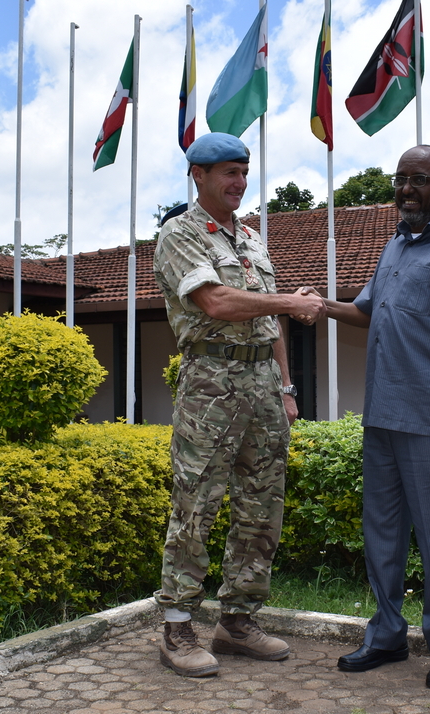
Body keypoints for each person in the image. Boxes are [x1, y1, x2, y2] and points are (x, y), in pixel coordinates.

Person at [305, 144, 430, 689]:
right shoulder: (394, 246)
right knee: (382, 534)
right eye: (400, 179)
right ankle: (387, 634)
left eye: (419, 179)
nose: (406, 189)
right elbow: (366, 312)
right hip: (382, 418)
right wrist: (320, 305)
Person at [151, 132, 327, 678]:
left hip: (262, 383)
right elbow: (217, 301)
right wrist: (290, 301)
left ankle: (238, 621)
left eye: (244, 172)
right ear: (198, 176)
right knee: (196, 502)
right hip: (211, 382)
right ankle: (178, 626)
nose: (239, 182)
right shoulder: (179, 234)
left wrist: (286, 387)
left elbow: (267, 320)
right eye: (229, 172)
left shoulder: (250, 239)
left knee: (261, 504)